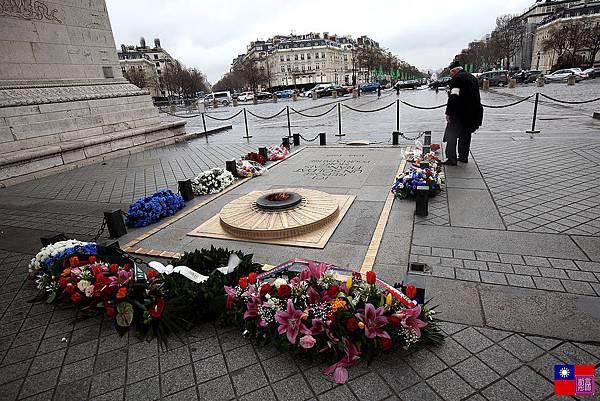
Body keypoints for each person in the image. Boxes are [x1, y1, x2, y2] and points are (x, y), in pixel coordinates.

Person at [442, 60, 483, 165]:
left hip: (459, 114)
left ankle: (452, 158)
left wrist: (448, 113)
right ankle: (463, 156)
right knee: (466, 135)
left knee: (452, 135)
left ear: (455, 70)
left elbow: (454, 97)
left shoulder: (457, 79)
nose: (451, 75)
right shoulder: (472, 78)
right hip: (473, 113)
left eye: (451, 72)